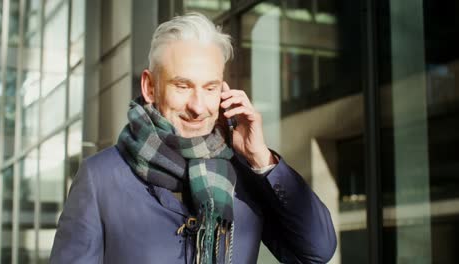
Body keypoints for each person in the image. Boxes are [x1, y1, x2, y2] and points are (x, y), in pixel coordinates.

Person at [50, 12, 336, 264]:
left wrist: (262, 160)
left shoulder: (246, 172)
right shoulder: (100, 177)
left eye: (210, 88)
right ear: (150, 87)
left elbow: (317, 252)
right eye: (183, 85)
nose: (198, 107)